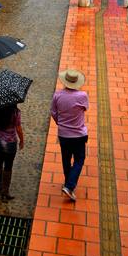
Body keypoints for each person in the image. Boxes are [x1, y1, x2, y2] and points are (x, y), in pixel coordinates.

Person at [50, 68, 88, 202]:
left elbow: (53, 112)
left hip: (63, 134)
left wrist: (60, 123)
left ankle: (68, 183)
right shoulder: (82, 95)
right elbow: (85, 109)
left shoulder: (57, 95)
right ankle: (69, 186)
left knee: (66, 160)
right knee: (79, 159)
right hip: (78, 134)